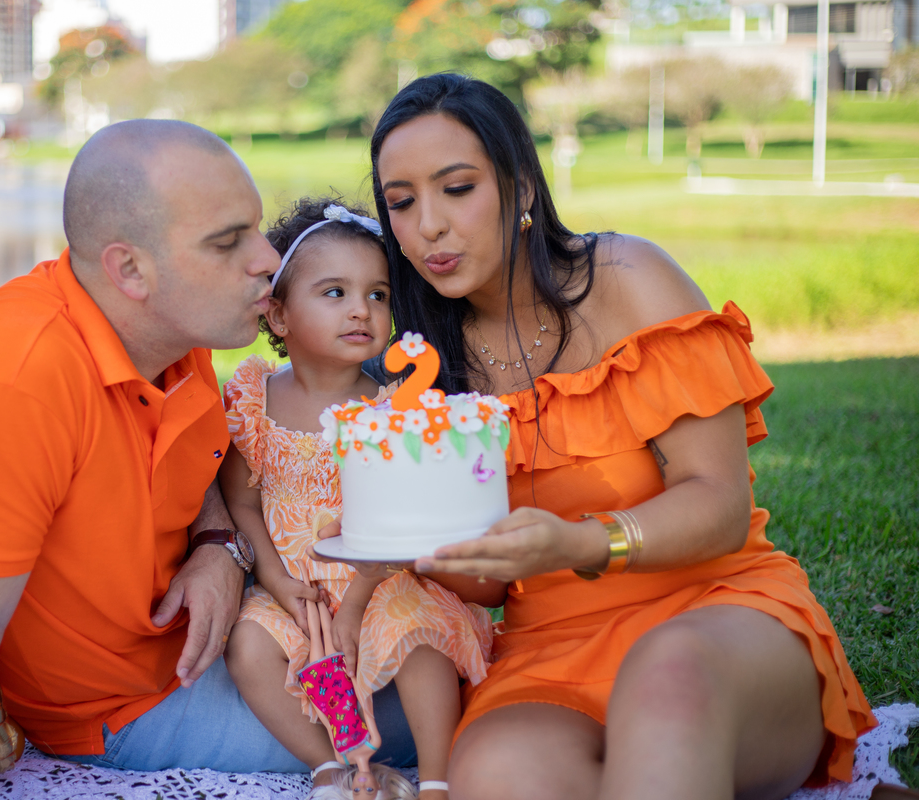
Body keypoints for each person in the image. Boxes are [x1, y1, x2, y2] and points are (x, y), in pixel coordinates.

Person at [320, 73, 876, 799]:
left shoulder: (626, 280)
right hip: (546, 651)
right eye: (401, 202)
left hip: (715, 616)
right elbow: (490, 579)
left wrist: (582, 542)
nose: (428, 226)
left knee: (667, 683)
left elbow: (719, 504)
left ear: (521, 188)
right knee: (493, 773)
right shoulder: (417, 365)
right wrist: (404, 547)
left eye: (457, 188)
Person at [0, 121, 418, 800]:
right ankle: (339, 765)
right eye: (228, 243)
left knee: (445, 663)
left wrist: (219, 544)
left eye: (255, 228)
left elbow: (207, 465)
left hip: (229, 635)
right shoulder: (8, 385)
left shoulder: (176, 331)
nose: (268, 259)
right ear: (129, 268)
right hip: (132, 703)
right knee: (456, 713)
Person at [220, 198, 497, 800]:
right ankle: (331, 766)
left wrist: (358, 602)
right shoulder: (254, 400)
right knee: (249, 646)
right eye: (334, 293)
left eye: (377, 295)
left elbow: (401, 523)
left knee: (419, 636)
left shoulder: (390, 409)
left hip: (380, 576)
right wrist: (275, 580)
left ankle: (438, 776)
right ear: (278, 315)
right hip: (293, 585)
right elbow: (241, 502)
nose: (362, 311)